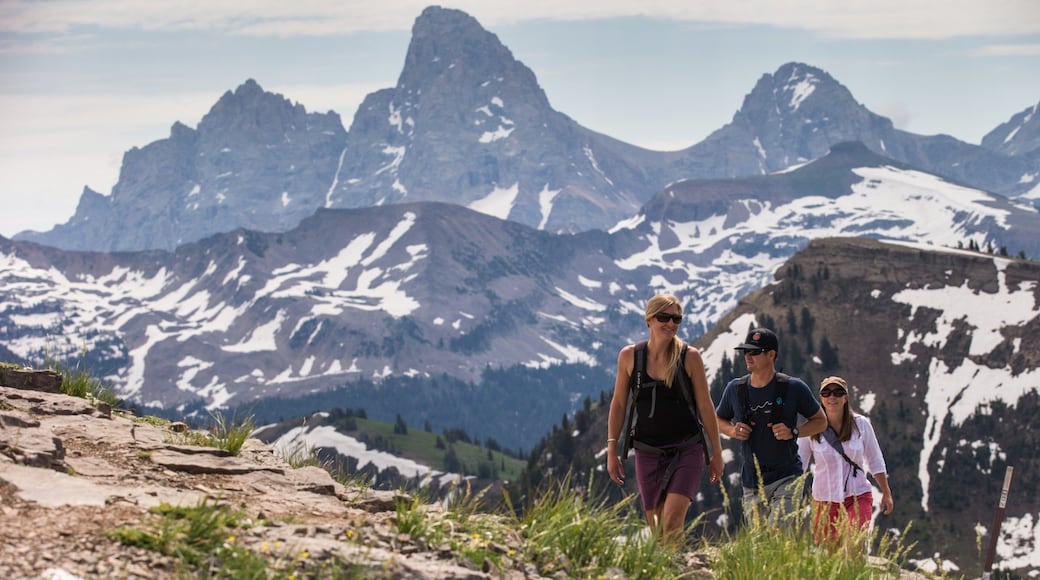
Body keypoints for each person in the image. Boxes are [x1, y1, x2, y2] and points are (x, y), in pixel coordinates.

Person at [606, 293, 724, 544]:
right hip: (647, 452)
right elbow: (618, 404)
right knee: (658, 530)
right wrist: (611, 449)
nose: (671, 324)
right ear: (649, 319)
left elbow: (705, 406)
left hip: (687, 449)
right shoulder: (630, 356)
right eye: (664, 317)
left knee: (671, 521)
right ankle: (675, 568)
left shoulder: (689, 356)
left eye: (676, 319)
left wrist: (716, 453)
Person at [715, 327, 827, 523]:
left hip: (787, 476)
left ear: (771, 355)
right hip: (752, 481)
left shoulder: (794, 387)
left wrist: (794, 432)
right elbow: (718, 420)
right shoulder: (735, 388)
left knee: (779, 532)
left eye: (755, 352)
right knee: (758, 543)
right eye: (746, 352)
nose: (748, 356)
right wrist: (732, 431)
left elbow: (821, 422)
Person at [798, 376, 894, 544]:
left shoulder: (861, 424)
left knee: (853, 543)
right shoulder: (811, 429)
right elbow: (799, 464)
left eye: (837, 392)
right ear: (820, 397)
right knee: (830, 556)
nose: (832, 397)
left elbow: (874, 459)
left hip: (858, 496)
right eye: (826, 392)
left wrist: (886, 492)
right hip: (824, 500)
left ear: (846, 397)